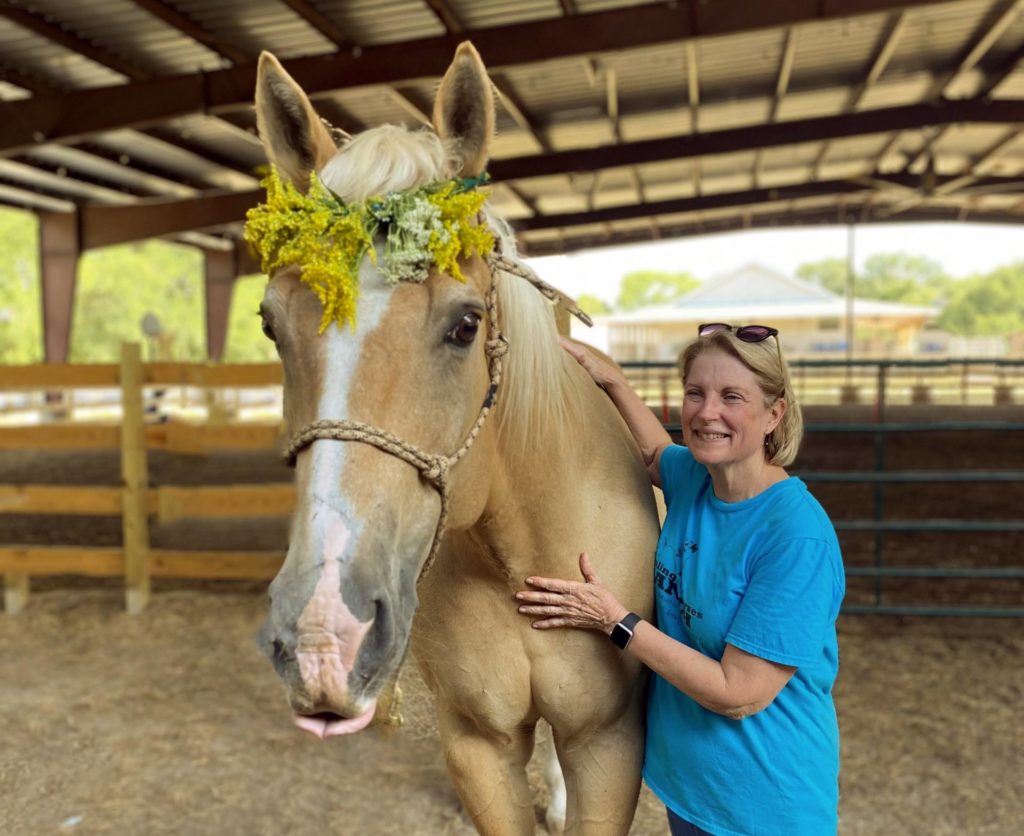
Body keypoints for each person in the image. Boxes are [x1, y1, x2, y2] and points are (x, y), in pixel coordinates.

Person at [516, 323, 845, 836]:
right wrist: (613, 382)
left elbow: (740, 693)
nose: (707, 411)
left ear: (774, 414)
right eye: (696, 392)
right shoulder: (696, 477)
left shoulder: (795, 538)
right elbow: (651, 453)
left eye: (732, 397)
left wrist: (614, 621)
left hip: (765, 805)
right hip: (691, 790)